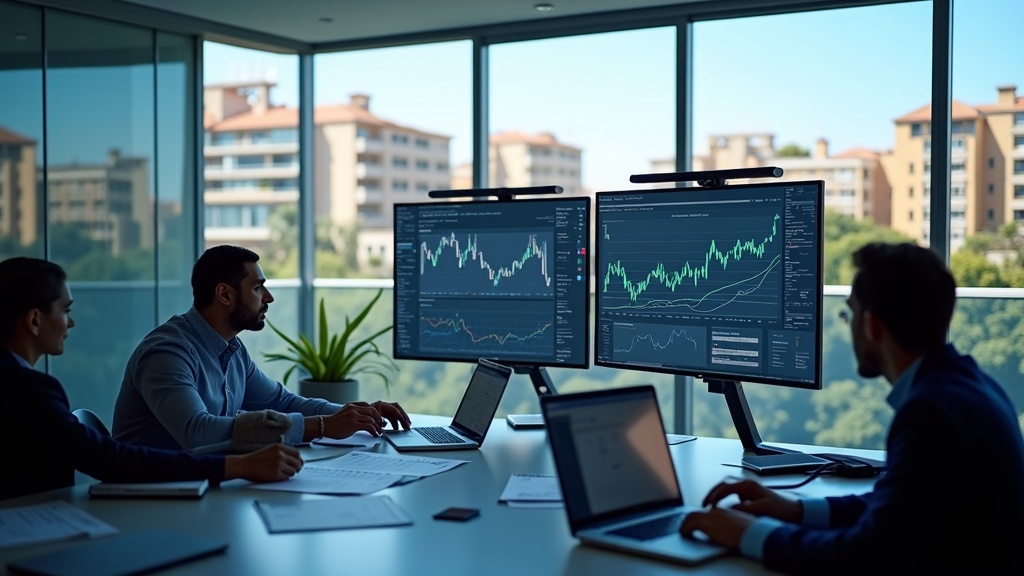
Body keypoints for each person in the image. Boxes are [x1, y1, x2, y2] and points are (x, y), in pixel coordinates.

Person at [679, 242, 1024, 574]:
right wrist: (793, 509)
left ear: (872, 325)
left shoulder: (930, 414)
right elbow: (899, 504)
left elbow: (865, 557)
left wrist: (747, 534)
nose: (850, 325)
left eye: (851, 313)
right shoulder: (971, 384)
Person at [0, 257, 303, 501]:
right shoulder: (29, 389)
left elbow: (279, 399)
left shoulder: (233, 351)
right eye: (65, 310)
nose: (71, 322)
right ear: (35, 320)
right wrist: (239, 466)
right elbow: (106, 458)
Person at [112, 245, 411, 452]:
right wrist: (321, 426)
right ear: (225, 295)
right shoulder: (167, 353)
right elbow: (197, 433)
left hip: (196, 486)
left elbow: (282, 401)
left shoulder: (231, 350)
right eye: (257, 288)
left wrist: (356, 415)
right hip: (149, 497)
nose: (268, 298)